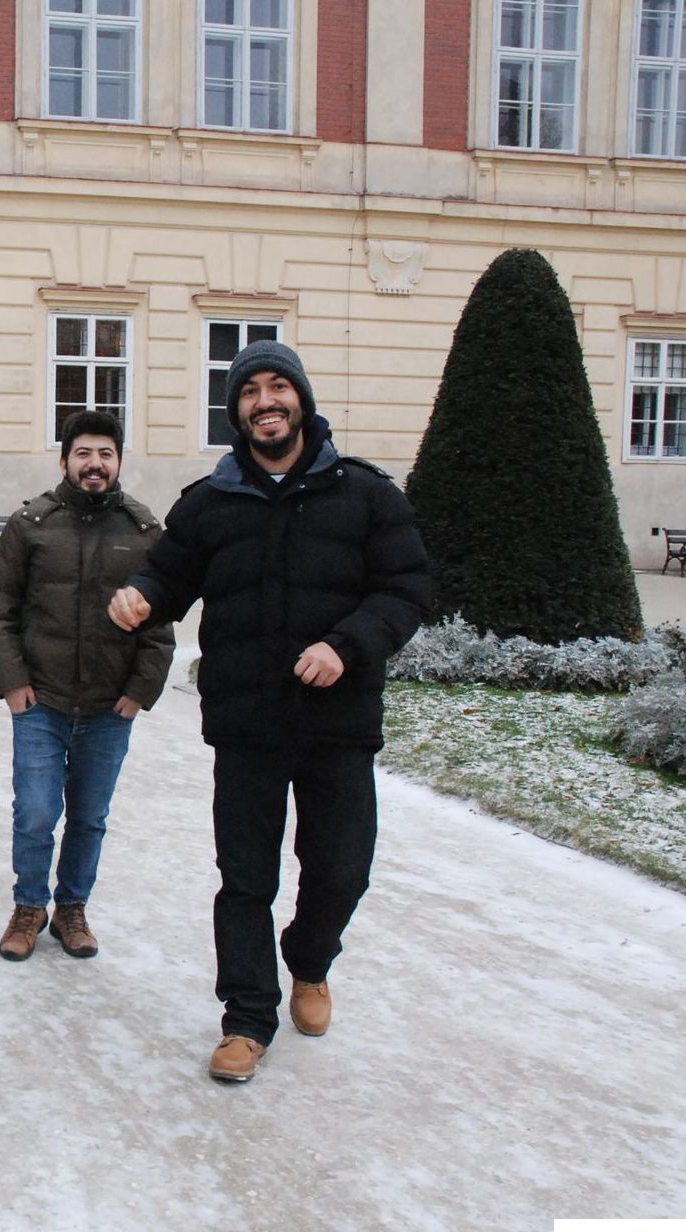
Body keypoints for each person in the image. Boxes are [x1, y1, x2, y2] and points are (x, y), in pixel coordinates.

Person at [107, 339, 429, 1084]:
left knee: (341, 869)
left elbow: (407, 588)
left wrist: (347, 645)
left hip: (337, 721)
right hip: (247, 722)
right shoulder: (210, 501)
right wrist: (140, 597)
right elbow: (168, 574)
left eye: (278, 387)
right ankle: (247, 1020)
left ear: (301, 399)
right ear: (237, 411)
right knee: (246, 878)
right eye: (250, 392)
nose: (266, 402)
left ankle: (310, 961)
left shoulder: (365, 494)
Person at [0, 409, 175, 962]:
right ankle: (28, 907)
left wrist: (140, 691)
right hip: (40, 702)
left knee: (89, 817)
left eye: (105, 454)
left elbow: (160, 621)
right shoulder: (31, 525)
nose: (95, 464)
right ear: (64, 460)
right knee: (36, 814)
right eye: (83, 453)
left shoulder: (143, 532)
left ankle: (71, 908)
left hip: (109, 708)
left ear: (119, 462)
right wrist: (12, 682)